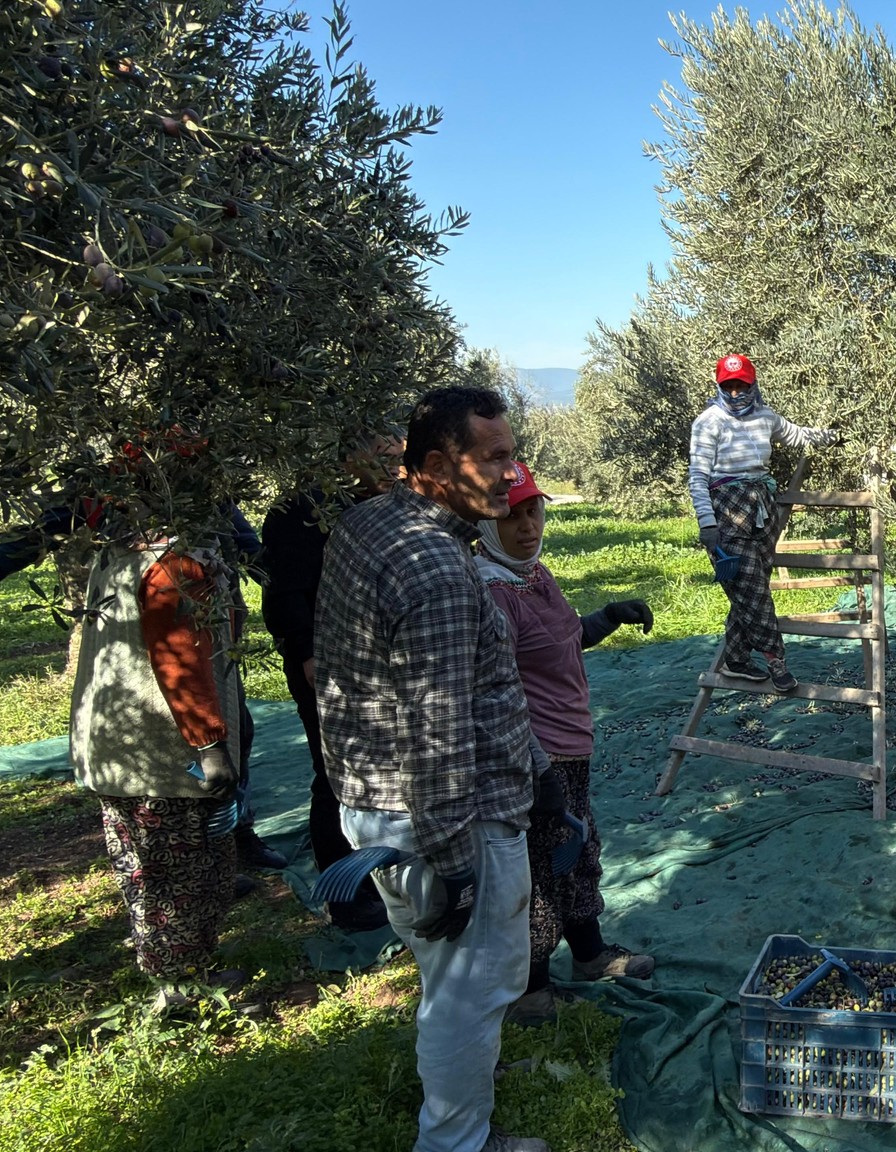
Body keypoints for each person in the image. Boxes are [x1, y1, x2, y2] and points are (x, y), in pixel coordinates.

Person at [314, 386, 551, 1152]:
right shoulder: (439, 572)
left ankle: (464, 1088)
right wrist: (456, 871)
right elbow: (441, 736)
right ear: (441, 464)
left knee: (451, 981)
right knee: (470, 989)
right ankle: (456, 1140)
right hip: (441, 817)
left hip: (372, 799)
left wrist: (539, 772)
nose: (513, 471)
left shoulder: (370, 520)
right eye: (497, 457)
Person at [0, 492, 285, 876]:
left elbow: (250, 547)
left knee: (237, 732)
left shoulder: (200, 485)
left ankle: (232, 838)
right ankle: (195, 860)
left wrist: (291, 579)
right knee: (166, 750)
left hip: (207, 627)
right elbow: (37, 534)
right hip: (134, 636)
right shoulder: (101, 491)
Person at [472, 461, 658, 1022]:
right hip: (535, 755)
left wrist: (608, 616)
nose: (527, 526)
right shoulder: (493, 592)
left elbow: (566, 639)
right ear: (486, 519)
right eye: (511, 514)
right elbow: (492, 690)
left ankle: (589, 955)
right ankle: (529, 988)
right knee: (540, 869)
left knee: (577, 855)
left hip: (569, 750)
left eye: (534, 512)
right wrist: (535, 769)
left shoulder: (533, 575)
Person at [69, 531, 242, 1006]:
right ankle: (184, 989)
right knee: (181, 871)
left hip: (113, 744)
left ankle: (178, 974)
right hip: (165, 750)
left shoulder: (116, 550)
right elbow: (180, 659)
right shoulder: (174, 564)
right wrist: (208, 742)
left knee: (147, 869)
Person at [259, 431, 405, 931]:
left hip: (377, 659)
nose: (394, 469)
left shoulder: (386, 508)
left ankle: (384, 874)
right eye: (384, 459)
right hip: (327, 667)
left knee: (384, 768)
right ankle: (344, 896)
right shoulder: (298, 513)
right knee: (336, 773)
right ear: (349, 456)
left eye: (399, 459)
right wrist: (307, 655)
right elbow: (282, 597)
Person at [688, 352, 839, 693]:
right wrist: (707, 524)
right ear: (719, 386)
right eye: (729, 386)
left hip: (762, 511)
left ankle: (737, 659)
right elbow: (697, 476)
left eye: (742, 385)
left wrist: (835, 435)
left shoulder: (765, 417)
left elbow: (799, 436)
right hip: (727, 513)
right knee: (753, 591)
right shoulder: (708, 421)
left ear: (753, 383)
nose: (737, 393)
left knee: (751, 591)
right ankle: (776, 660)